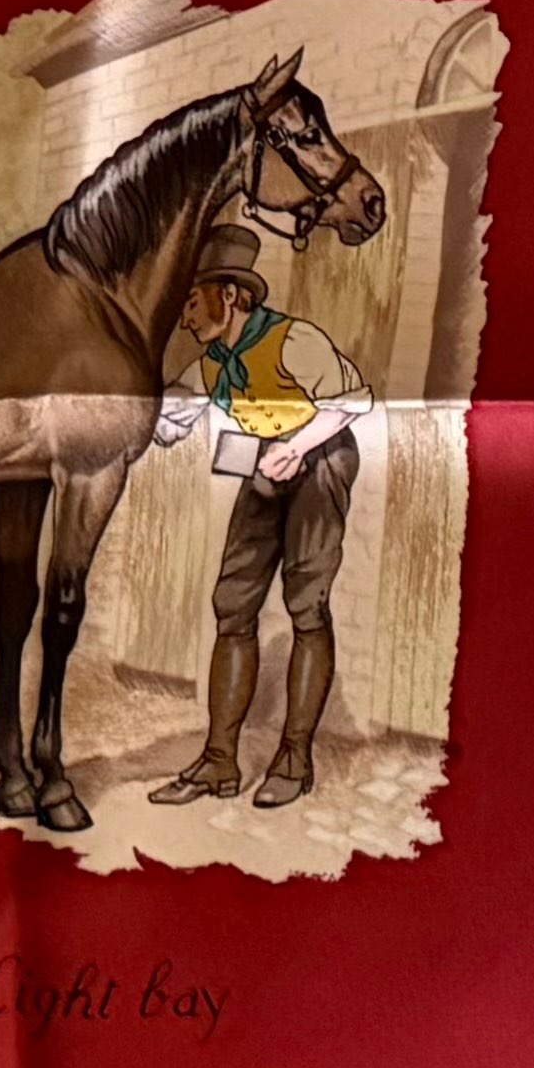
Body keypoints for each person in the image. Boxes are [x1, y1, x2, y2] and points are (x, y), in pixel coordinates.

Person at [147, 224, 370, 810]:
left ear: (229, 295)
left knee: (306, 603)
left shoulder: (295, 339)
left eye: (191, 303)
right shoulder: (211, 365)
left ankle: (294, 758)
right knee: (234, 603)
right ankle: (219, 760)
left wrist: (296, 447)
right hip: (263, 463)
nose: (185, 319)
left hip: (321, 458)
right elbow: (170, 421)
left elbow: (354, 401)